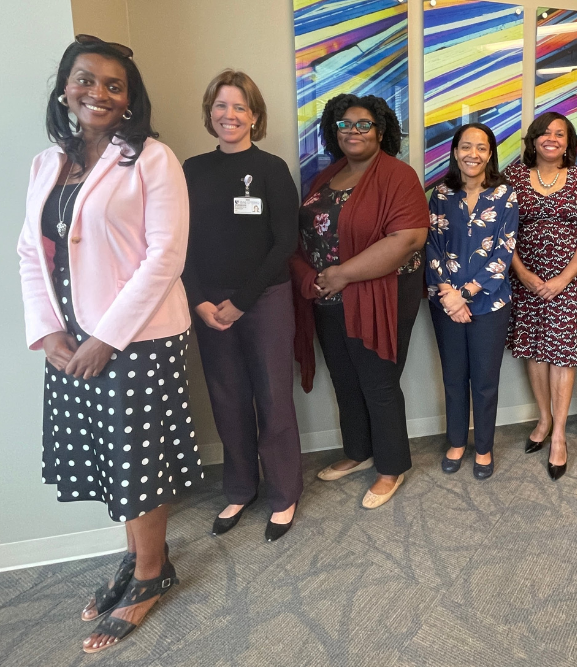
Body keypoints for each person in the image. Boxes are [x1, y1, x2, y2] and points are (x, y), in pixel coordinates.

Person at [16, 35, 202, 653]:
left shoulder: (152, 159)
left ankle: (151, 575)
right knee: (108, 459)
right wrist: (48, 332)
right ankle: (138, 558)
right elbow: (28, 252)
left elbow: (165, 257)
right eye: (85, 79)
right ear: (66, 88)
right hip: (69, 339)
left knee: (137, 462)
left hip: (138, 338)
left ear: (129, 100)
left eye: (112, 85)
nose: (97, 92)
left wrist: (106, 337)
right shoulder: (49, 163)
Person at [291, 94, 428, 509]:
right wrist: (313, 279)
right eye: (344, 124)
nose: (353, 130)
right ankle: (358, 449)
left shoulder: (397, 176)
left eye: (363, 123)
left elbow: (408, 239)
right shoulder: (325, 178)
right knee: (345, 379)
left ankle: (391, 466)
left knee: (378, 381)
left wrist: (340, 275)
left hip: (378, 295)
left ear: (381, 131)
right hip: (327, 298)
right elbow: (305, 236)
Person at [182, 70, 301, 542]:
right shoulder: (190, 170)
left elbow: (284, 243)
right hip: (209, 304)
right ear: (210, 113)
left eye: (239, 107)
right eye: (220, 106)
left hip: (265, 299)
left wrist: (240, 301)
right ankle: (240, 486)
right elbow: (179, 243)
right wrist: (200, 301)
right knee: (227, 397)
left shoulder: (271, 169)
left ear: (254, 115)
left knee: (273, 397)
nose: (229, 115)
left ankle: (283, 493)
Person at [504, 112, 577, 479]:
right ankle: (543, 420)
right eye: (544, 133)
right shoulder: (513, 177)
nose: (551, 138)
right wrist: (523, 273)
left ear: (568, 142)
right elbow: (502, 231)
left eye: (559, 134)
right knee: (534, 351)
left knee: (562, 355)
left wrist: (562, 278)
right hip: (525, 281)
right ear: (532, 140)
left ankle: (559, 435)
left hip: (569, 282)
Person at [426, 123, 518, 480]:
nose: (473, 154)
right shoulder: (440, 195)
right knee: (453, 377)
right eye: (466, 147)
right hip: (445, 303)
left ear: (490, 154)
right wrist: (450, 295)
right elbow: (431, 245)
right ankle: (456, 442)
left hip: (490, 304)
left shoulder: (505, 194)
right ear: (454, 152)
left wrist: (466, 294)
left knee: (484, 380)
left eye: (481, 148)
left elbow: (504, 251)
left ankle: (483, 446)